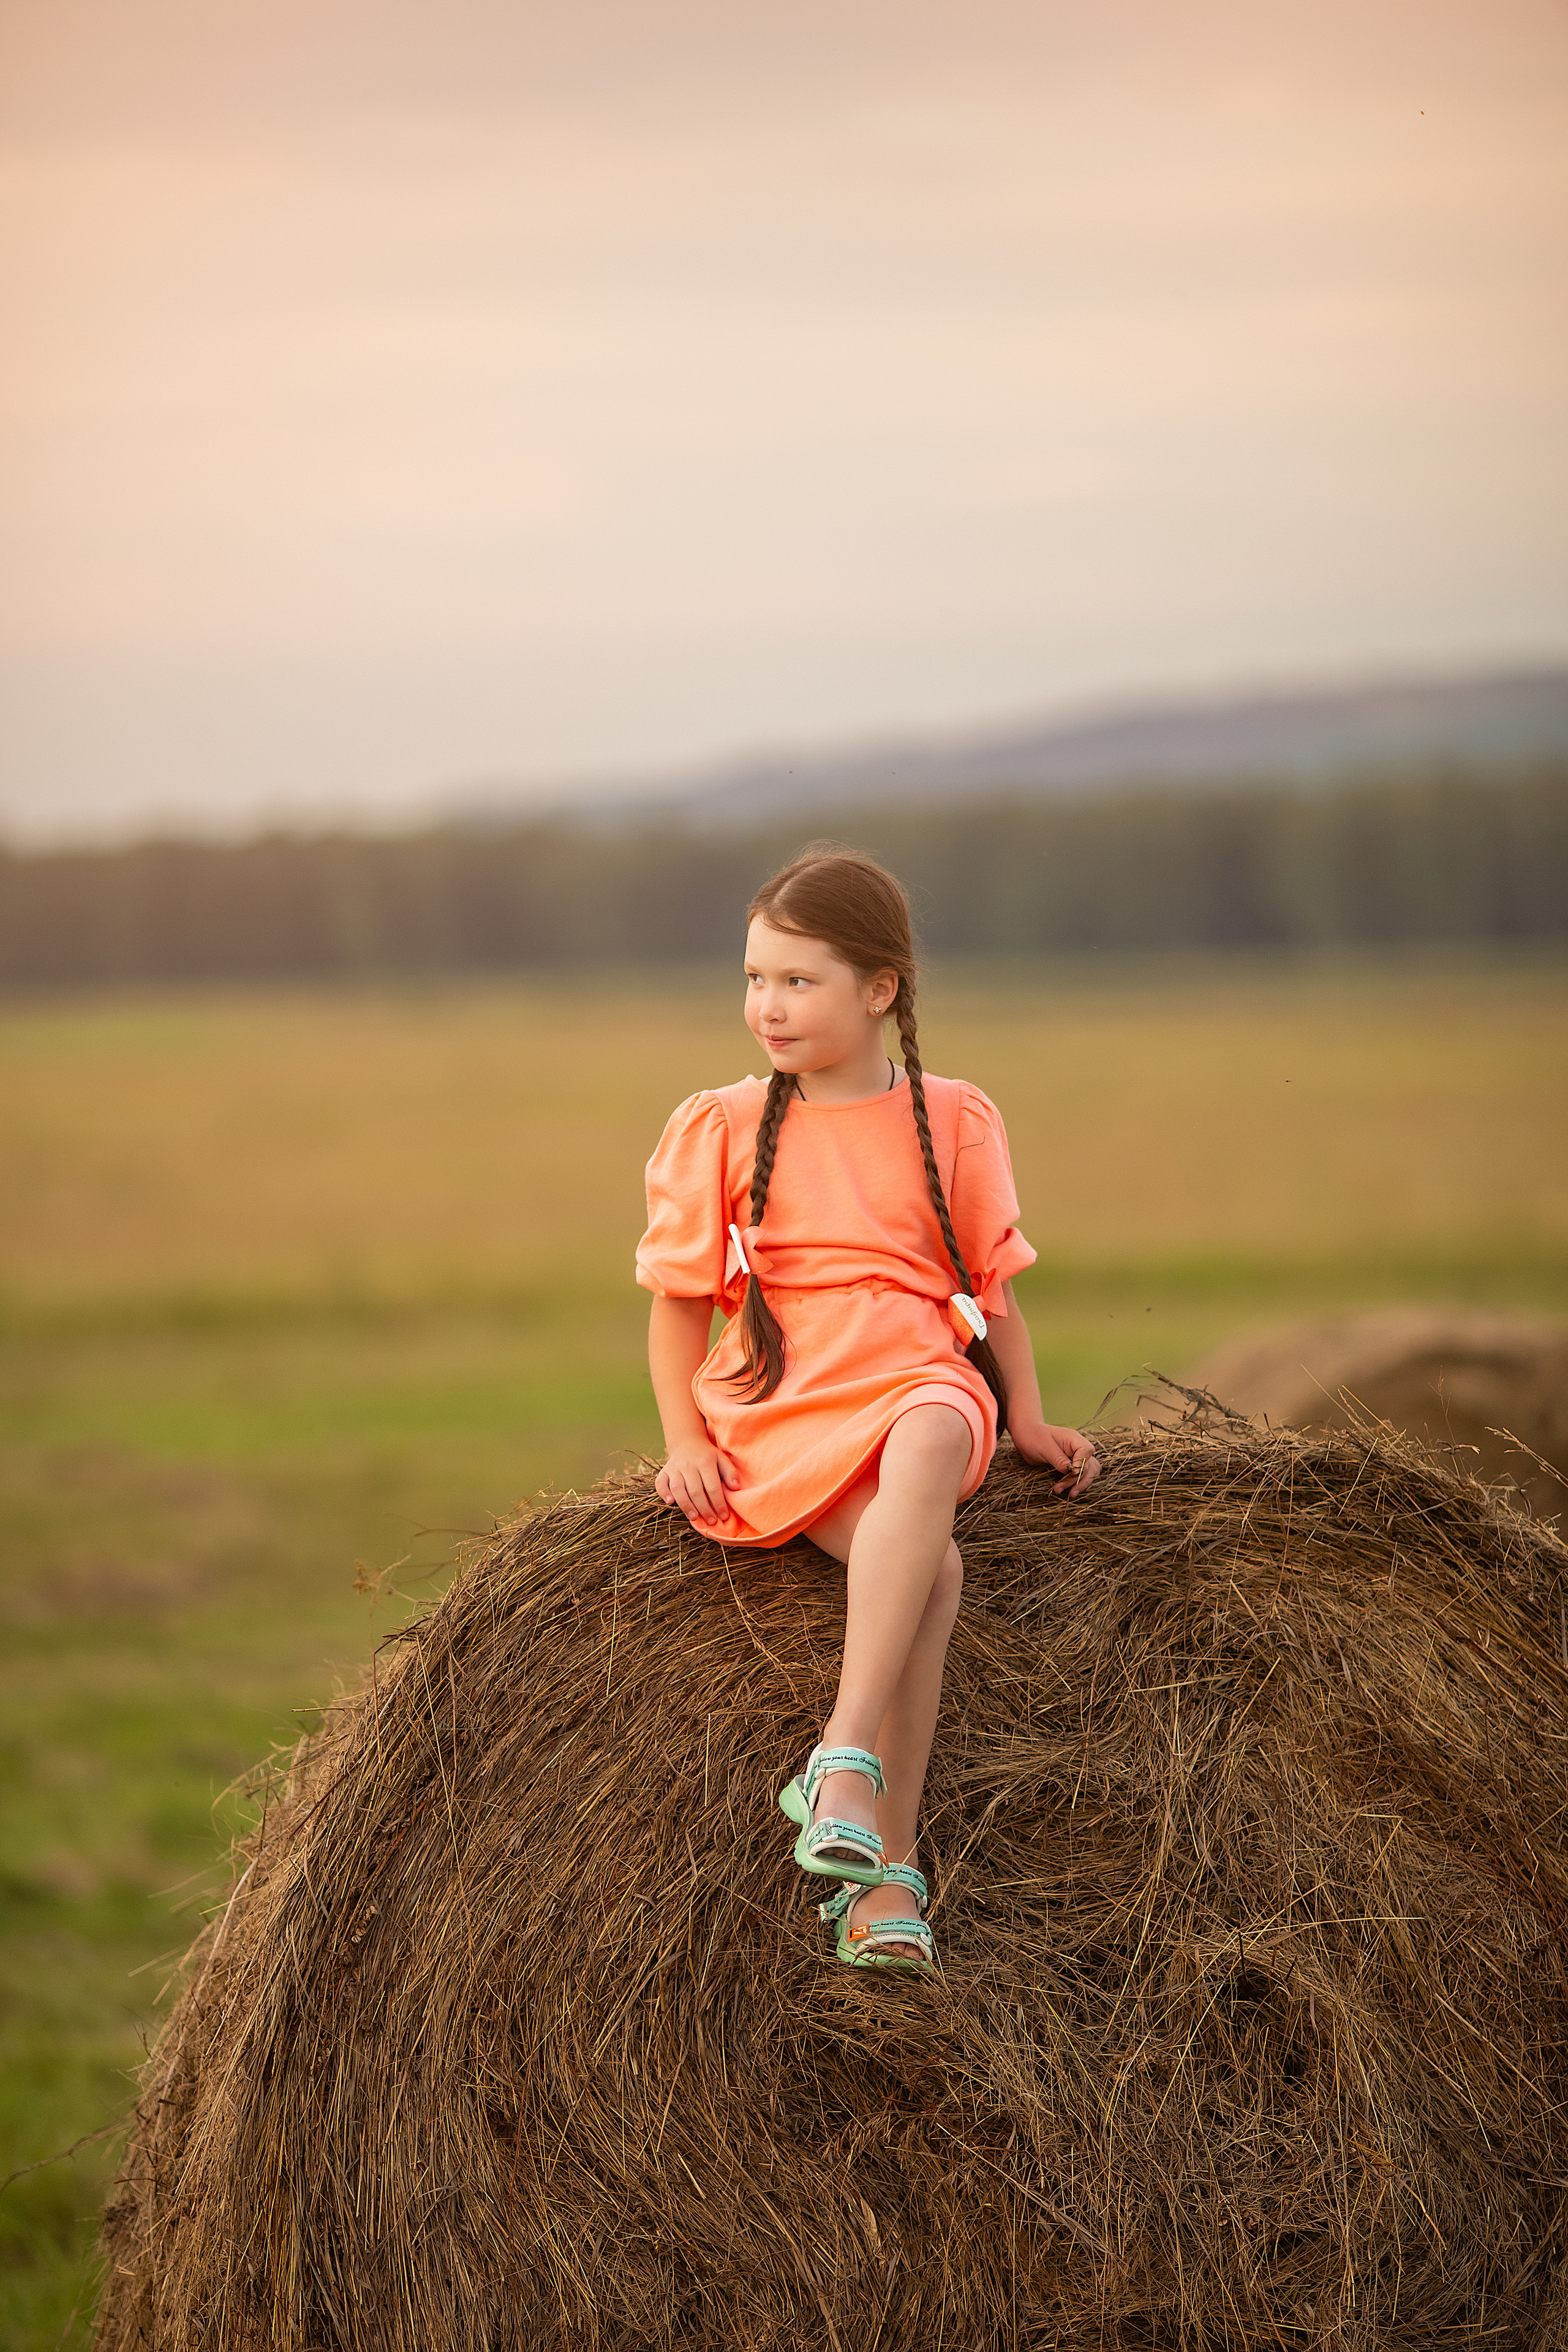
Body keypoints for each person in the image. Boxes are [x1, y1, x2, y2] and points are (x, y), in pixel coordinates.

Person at [636, 845, 1099, 1970]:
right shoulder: (725, 1124)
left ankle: (843, 1754)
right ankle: (885, 1878)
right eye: (755, 979)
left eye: (799, 981)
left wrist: (1027, 1418)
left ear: (880, 988)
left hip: (916, 1379)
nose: (768, 1006)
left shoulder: (955, 1118)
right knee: (929, 1572)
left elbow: (991, 1302)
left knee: (940, 1419)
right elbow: (677, 1307)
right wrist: (684, 1438)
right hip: (785, 1399)